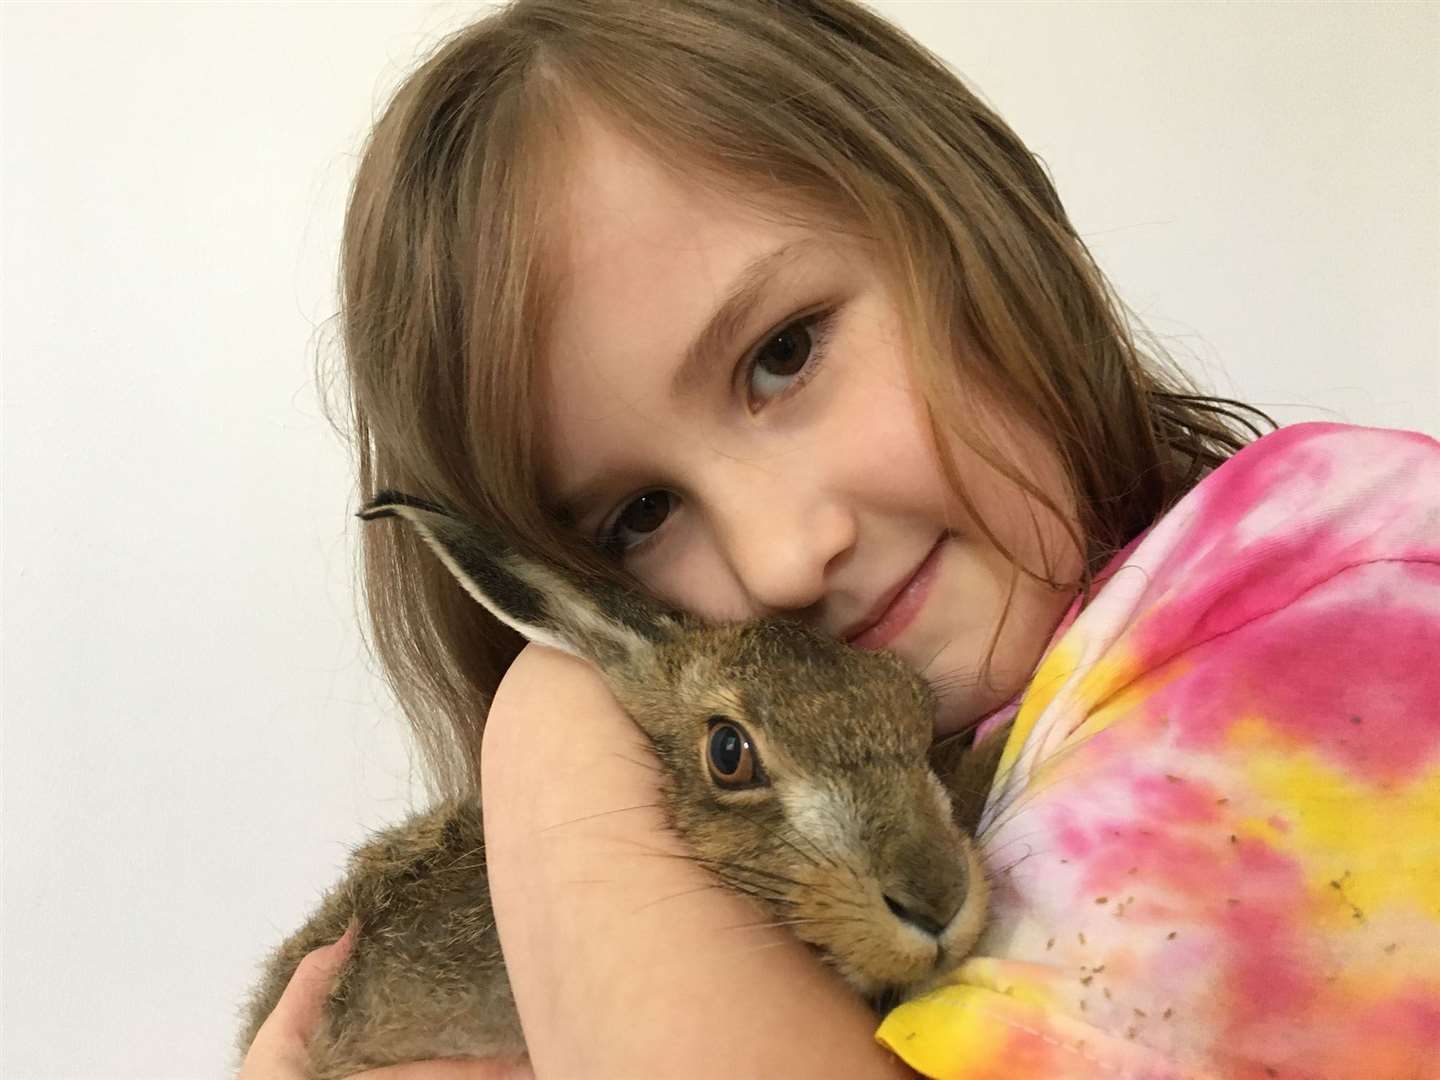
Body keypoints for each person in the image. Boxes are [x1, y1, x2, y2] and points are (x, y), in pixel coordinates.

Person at [240, 1, 1439, 1077]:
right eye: (638, 517)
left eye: (785, 353)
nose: (777, 560)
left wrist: (547, 726)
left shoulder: (1344, 588)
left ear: (968, 218)